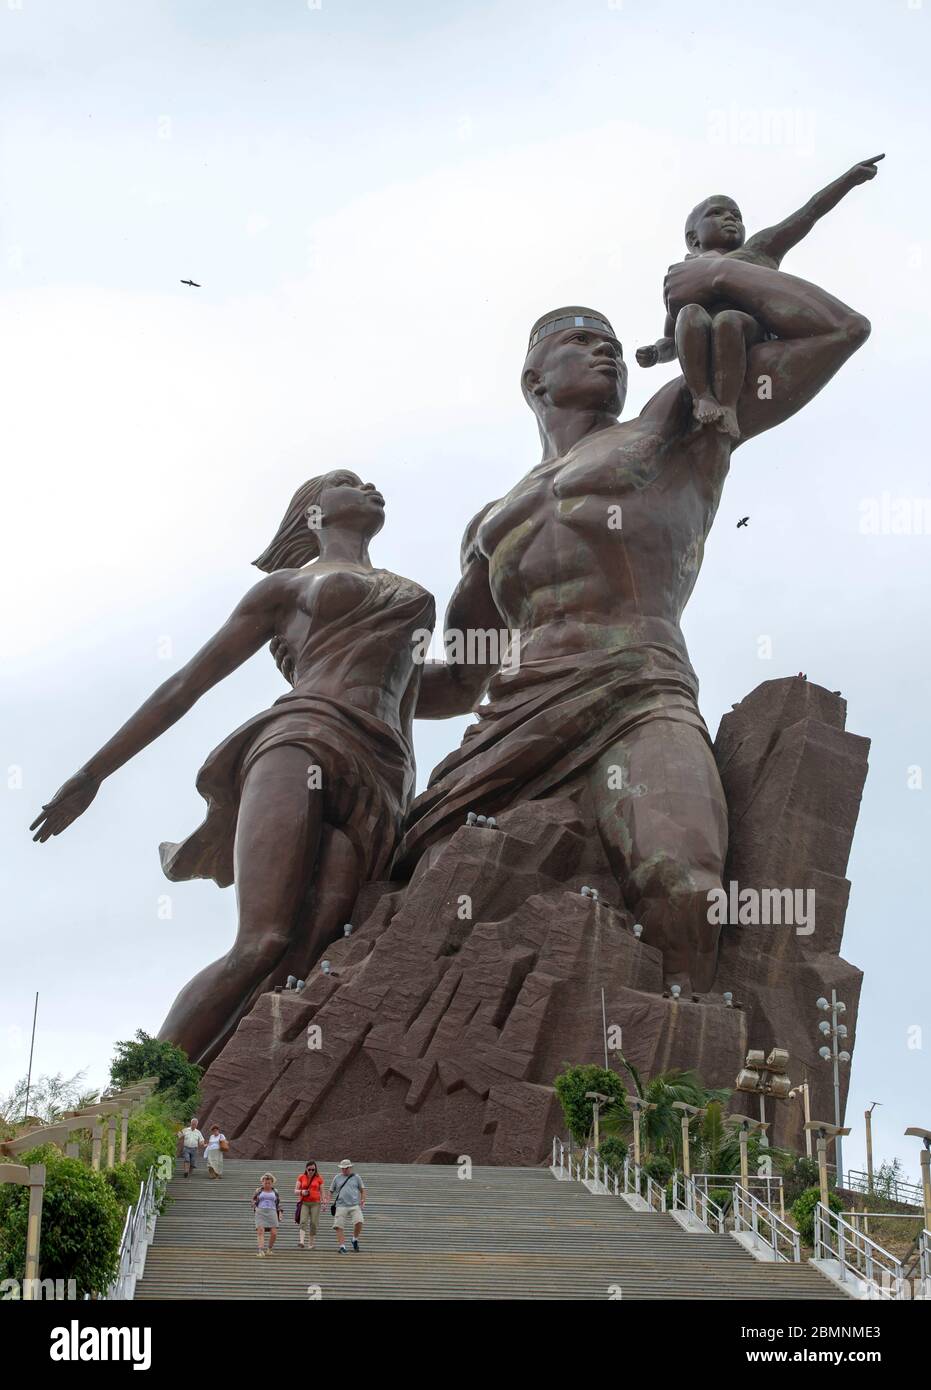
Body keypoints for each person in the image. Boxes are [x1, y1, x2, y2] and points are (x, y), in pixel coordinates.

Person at [395, 242, 874, 995]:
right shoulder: (492, 521)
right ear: (534, 379)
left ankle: (674, 1094)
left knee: (683, 883)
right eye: (582, 343)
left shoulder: (678, 422)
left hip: (637, 691)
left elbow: (837, 331)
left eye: (615, 346)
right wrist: (340, 677)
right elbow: (457, 677)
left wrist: (722, 276)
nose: (607, 354)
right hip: (512, 718)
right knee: (412, 900)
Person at [30, 472, 435, 1067]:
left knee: (316, 944)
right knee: (262, 940)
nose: (370, 485)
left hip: (383, 770)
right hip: (304, 737)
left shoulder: (410, 593)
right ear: (313, 515)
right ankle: (143, 1098)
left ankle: (229, 1087)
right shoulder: (287, 587)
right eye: (348, 483)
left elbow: (424, 693)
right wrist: (94, 773)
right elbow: (186, 684)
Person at [636, 155, 883, 437]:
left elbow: (807, 215)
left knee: (729, 320)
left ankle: (727, 406)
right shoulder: (681, 275)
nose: (731, 218)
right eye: (717, 213)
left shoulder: (756, 252)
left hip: (746, 334)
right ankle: (701, 396)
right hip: (702, 347)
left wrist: (847, 180)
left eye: (737, 216)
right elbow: (672, 337)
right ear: (694, 239)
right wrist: (656, 353)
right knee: (690, 314)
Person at [330, 1159, 365, 1253]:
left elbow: (362, 1189)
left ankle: (354, 1239)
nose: (344, 1170)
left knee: (359, 1221)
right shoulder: (337, 1178)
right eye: (342, 1168)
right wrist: (327, 1200)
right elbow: (331, 1190)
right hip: (341, 1205)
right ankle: (342, 1246)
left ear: (350, 1168)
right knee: (338, 1225)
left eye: (346, 1168)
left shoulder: (356, 1177)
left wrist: (362, 1200)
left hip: (354, 1204)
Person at [294, 1160, 324, 1249]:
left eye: (313, 1170)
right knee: (303, 1221)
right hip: (304, 1202)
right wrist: (302, 1192)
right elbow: (295, 1191)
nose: (311, 1171)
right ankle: (302, 1241)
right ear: (306, 1169)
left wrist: (324, 1202)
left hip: (316, 1203)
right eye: (309, 1169)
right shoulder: (301, 1177)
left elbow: (322, 1192)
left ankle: (311, 1243)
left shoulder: (319, 1178)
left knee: (314, 1223)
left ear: (315, 1170)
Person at [252, 1173, 281, 1257]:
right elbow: (253, 1200)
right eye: (265, 1183)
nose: (267, 1184)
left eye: (269, 1183)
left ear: (272, 1183)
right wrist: (254, 1205)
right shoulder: (258, 1191)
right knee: (260, 1231)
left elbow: (278, 1203)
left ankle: (269, 1249)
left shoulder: (275, 1191)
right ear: (262, 1182)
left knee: (274, 1232)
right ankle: (260, 1250)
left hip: (272, 1211)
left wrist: (280, 1213)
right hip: (261, 1211)